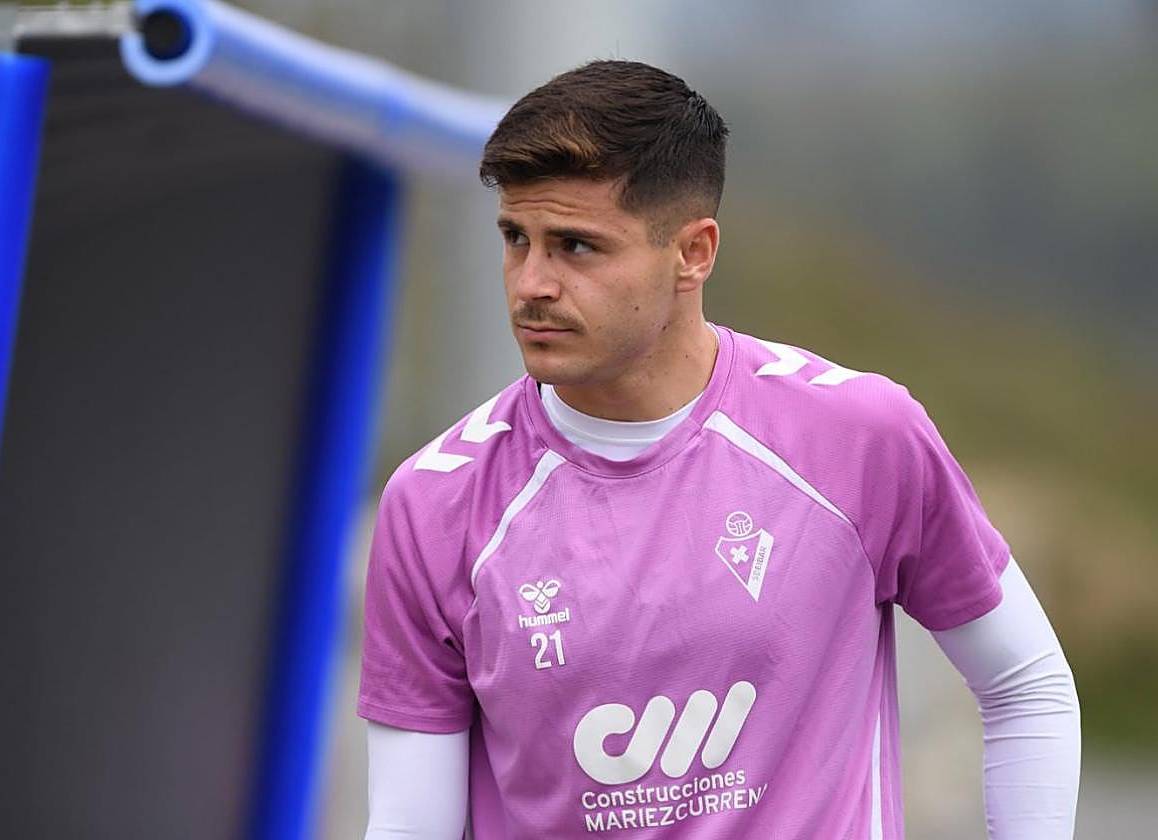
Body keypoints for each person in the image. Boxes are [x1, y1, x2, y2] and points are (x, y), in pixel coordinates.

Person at [357, 60, 1080, 839]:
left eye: (575, 246)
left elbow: (1024, 683)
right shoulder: (434, 502)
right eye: (515, 238)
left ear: (693, 253)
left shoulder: (862, 435)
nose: (531, 282)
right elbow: (409, 826)